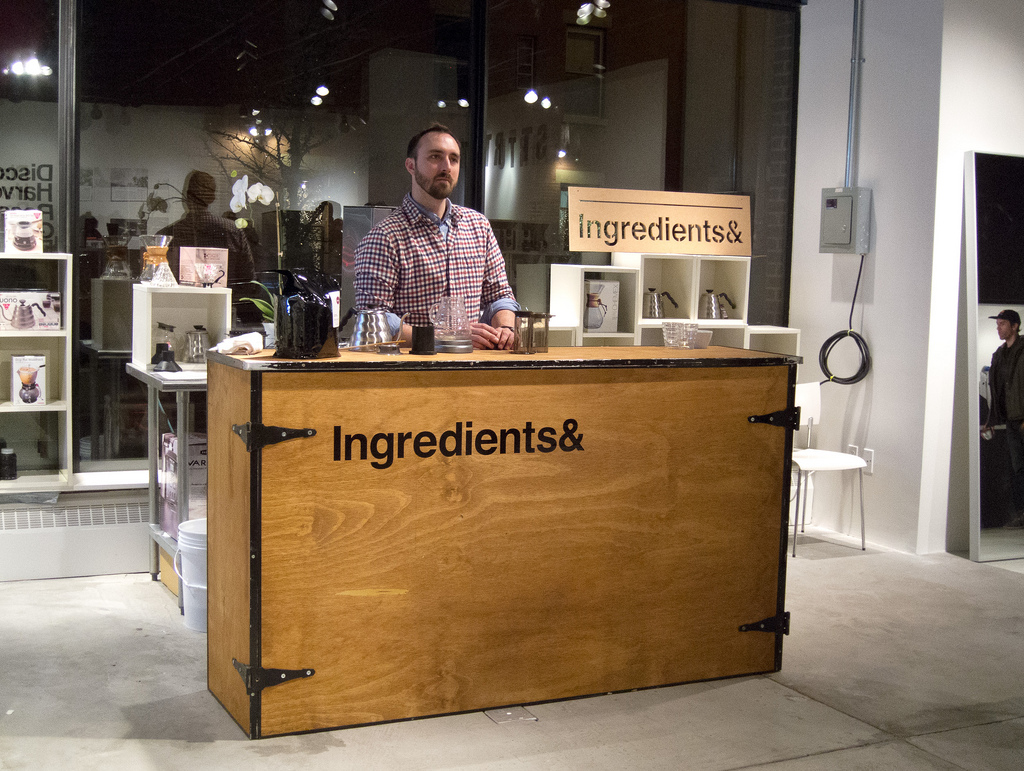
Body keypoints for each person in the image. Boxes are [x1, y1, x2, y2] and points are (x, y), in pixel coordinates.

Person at [354, 124, 519, 350]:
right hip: (415, 368)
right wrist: (442, 337)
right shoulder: (384, 237)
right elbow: (374, 320)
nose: (446, 167)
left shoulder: (478, 226)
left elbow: (500, 296)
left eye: (454, 159)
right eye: (435, 157)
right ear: (411, 165)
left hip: (474, 364)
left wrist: (506, 329)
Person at [158, 170, 256, 285]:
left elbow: (157, 281)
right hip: (228, 297)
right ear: (212, 198)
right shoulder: (234, 231)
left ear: (187, 197)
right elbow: (249, 280)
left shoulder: (165, 237)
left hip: (179, 297)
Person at [982, 309, 1024, 528]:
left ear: (1015, 326)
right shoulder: (999, 354)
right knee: (1017, 468)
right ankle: (1021, 513)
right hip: (1011, 419)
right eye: (997, 324)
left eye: (1003, 324)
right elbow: (996, 388)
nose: (998, 328)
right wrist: (992, 419)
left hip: (1021, 416)